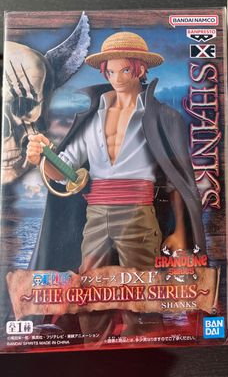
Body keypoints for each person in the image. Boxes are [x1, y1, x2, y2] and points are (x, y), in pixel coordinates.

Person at [27, 31, 205, 339]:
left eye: (125, 70)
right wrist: (43, 157)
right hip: (96, 214)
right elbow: (65, 171)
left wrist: (179, 230)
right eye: (111, 71)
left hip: (138, 213)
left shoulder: (163, 117)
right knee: (91, 293)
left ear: (140, 69)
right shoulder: (90, 119)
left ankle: (145, 352)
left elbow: (176, 179)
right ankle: (92, 353)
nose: (117, 78)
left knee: (141, 296)